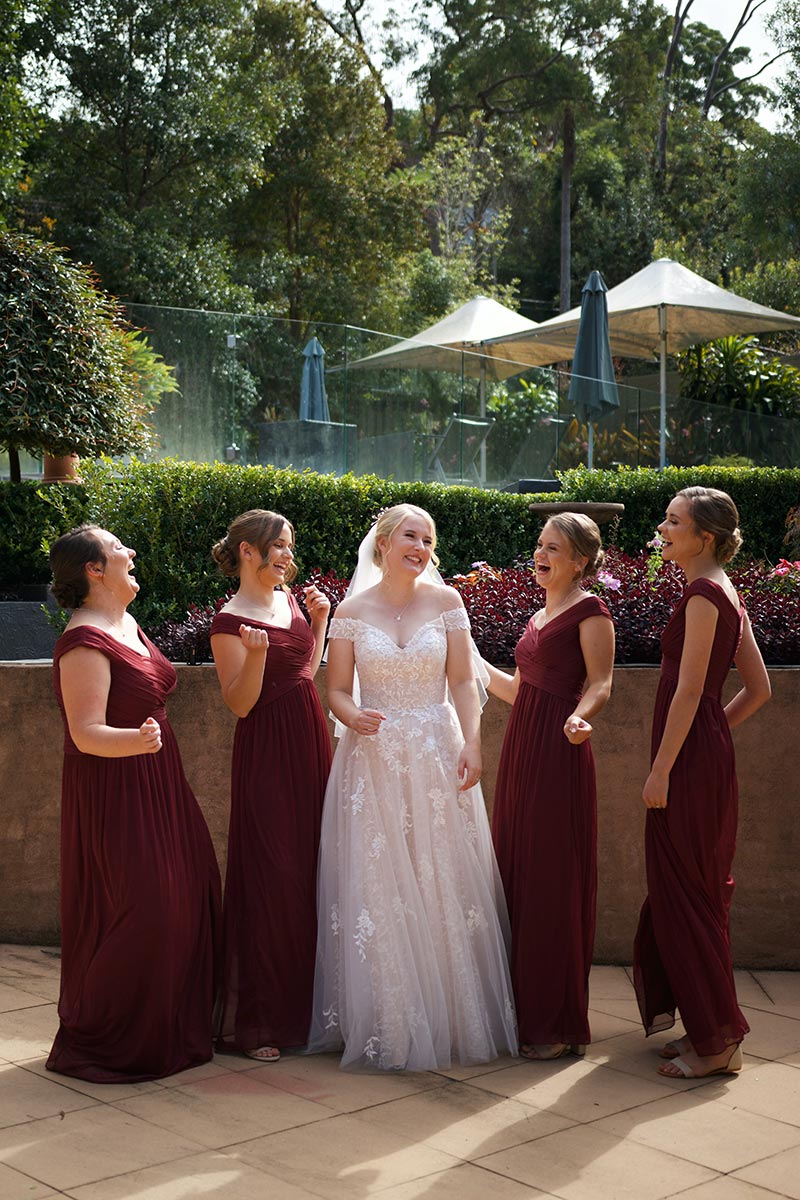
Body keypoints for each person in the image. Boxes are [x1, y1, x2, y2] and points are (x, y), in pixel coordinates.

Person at [307, 503, 517, 1070]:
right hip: (372, 758)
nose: (420, 547)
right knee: (379, 880)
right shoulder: (350, 611)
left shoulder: (448, 603)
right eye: (409, 535)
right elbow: (339, 691)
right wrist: (352, 716)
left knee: (439, 874)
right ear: (382, 543)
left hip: (434, 750)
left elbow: (463, 683)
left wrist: (472, 743)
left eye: (428, 539)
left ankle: (452, 1013)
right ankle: (388, 1018)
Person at [47, 525, 221, 1083]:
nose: (132, 550)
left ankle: (164, 1032)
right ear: (94, 569)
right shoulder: (83, 642)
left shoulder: (125, 622)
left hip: (159, 781)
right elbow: (85, 732)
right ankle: (108, 1037)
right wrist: (137, 742)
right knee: (146, 908)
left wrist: (149, 747)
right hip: (116, 789)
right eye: (119, 547)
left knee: (189, 896)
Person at [634, 486, 771, 1080]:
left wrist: (665, 766)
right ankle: (705, 1023)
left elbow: (691, 692)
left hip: (687, 767)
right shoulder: (724, 590)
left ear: (704, 536)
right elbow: (759, 690)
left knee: (686, 894)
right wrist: (711, 737)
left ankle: (718, 1045)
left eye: (673, 521)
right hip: (704, 758)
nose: (663, 528)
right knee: (696, 890)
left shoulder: (700, 594)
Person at [485, 514, 615, 1061]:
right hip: (521, 751)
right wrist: (467, 657)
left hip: (560, 753)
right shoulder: (539, 614)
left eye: (553, 548)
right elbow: (520, 691)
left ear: (580, 560)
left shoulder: (592, 612)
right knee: (516, 872)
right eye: (539, 545)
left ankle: (557, 1022)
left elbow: (602, 683)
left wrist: (581, 718)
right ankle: (523, 1012)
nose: (540, 554)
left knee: (550, 881)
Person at [210, 510, 332, 1062]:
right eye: (277, 547)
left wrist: (320, 623)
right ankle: (259, 1022)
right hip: (265, 754)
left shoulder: (289, 602)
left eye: (289, 546)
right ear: (246, 553)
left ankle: (308, 1014)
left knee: (312, 869)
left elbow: (305, 672)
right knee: (271, 876)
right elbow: (240, 703)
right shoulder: (226, 621)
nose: (286, 555)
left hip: (309, 741)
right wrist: (254, 656)